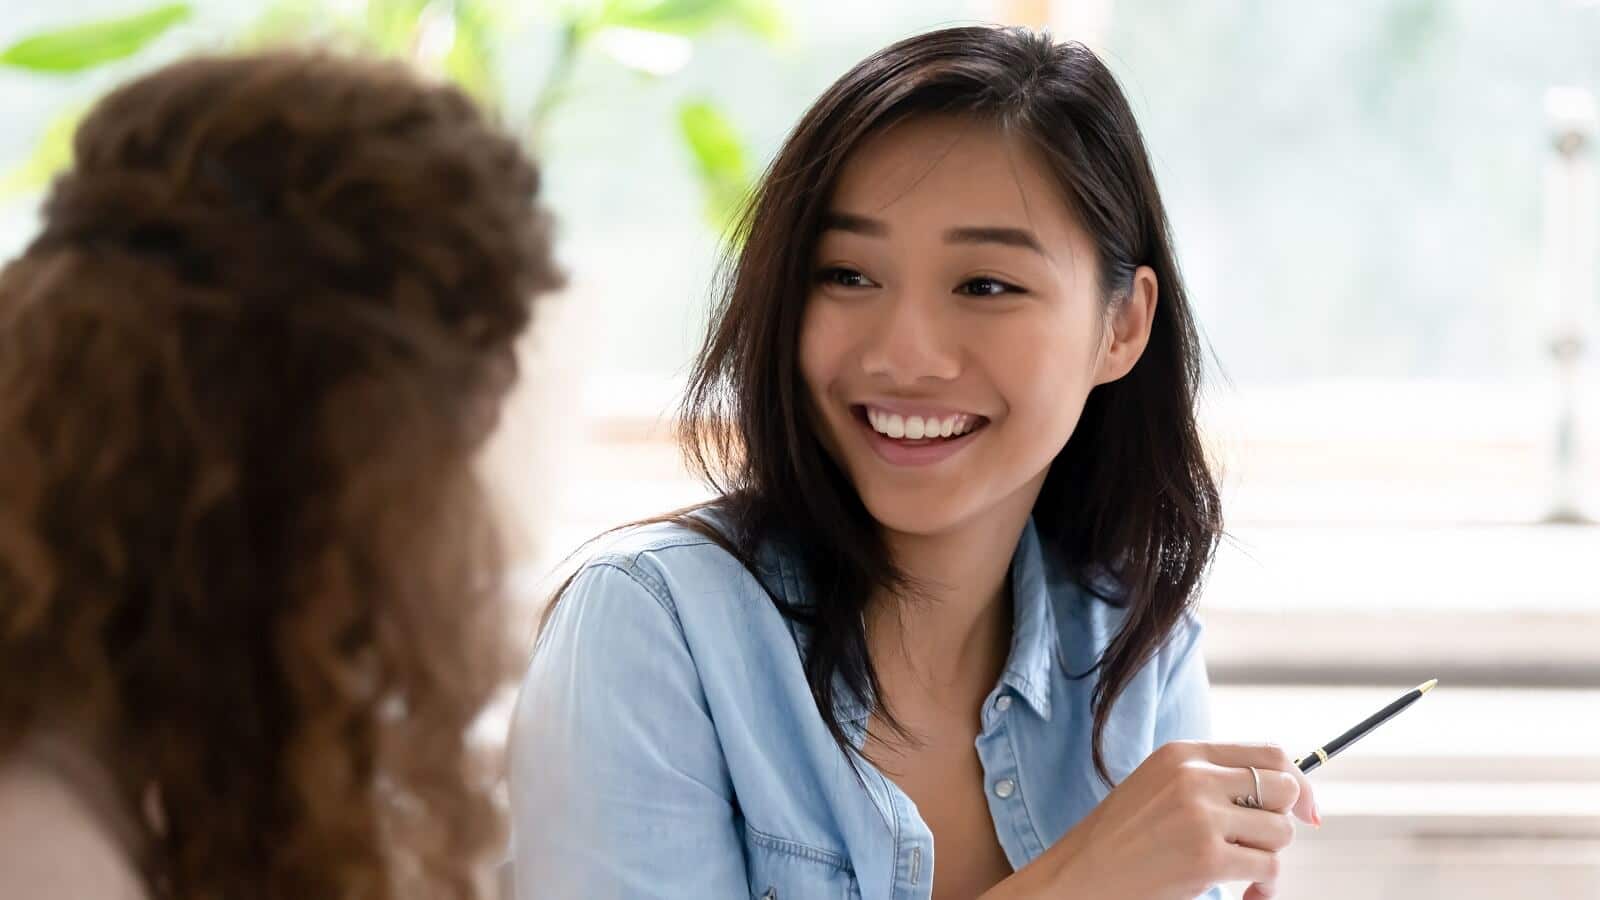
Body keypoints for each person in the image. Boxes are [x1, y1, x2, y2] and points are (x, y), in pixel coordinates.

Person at [510, 24, 1319, 900]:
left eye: (985, 285)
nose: (905, 354)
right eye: (849, 275)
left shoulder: (1133, 650)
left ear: (1120, 326)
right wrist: (1080, 882)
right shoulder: (652, 631)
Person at [0, 50, 562, 899]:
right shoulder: (42, 850)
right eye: (451, 454)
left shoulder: (120, 756)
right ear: (335, 448)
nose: (468, 527)